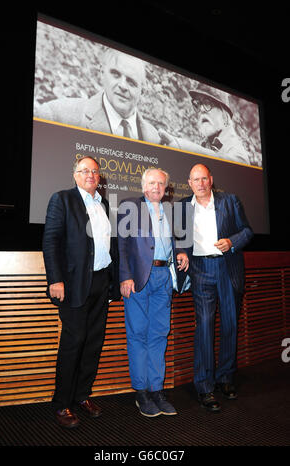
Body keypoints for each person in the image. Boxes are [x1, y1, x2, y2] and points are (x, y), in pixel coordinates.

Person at [42, 155, 120, 428]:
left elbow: (111, 246)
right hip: (73, 284)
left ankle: (82, 395)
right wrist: (56, 279)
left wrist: (113, 280)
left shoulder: (104, 204)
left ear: (99, 177)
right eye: (84, 171)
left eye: (95, 171)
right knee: (73, 343)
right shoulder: (61, 199)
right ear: (75, 175)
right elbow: (51, 240)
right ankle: (62, 403)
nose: (90, 175)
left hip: (100, 283)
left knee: (93, 343)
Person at [180, 163, 253, 412]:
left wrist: (231, 241)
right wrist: (181, 254)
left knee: (230, 325)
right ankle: (204, 385)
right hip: (200, 270)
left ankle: (225, 378)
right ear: (189, 183)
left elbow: (247, 231)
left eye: (204, 178)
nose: (200, 183)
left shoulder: (230, 201)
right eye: (195, 180)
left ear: (211, 180)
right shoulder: (181, 207)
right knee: (204, 327)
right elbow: (177, 240)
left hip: (227, 268)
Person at [117, 168, 189, 417]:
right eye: (151, 182)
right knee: (137, 334)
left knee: (159, 334)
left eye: (160, 183)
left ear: (166, 187)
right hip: (138, 278)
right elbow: (123, 244)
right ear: (143, 185)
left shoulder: (170, 210)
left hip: (163, 277)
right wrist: (125, 276)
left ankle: (157, 390)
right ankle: (142, 392)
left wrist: (180, 251)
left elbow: (173, 241)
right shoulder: (129, 206)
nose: (156, 186)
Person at [38, 48, 160, 144]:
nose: (122, 86)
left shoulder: (156, 138)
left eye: (131, 81)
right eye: (116, 75)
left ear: (142, 91)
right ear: (102, 73)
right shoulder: (57, 114)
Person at [159, 84, 250, 165]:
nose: (201, 110)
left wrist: (181, 146)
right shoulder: (206, 143)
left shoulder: (237, 153)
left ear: (225, 116)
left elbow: (223, 163)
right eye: (198, 104)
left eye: (207, 103)